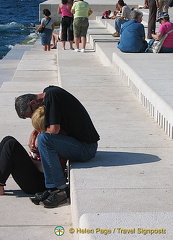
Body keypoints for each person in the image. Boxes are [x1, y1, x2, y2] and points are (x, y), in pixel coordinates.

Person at [15, 86, 100, 208]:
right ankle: (52, 189)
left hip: (86, 148)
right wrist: (35, 132)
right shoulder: (50, 94)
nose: (35, 116)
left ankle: (60, 191)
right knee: (43, 138)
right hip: (79, 144)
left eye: (32, 114)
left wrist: (39, 135)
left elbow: (54, 130)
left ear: (33, 103)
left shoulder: (52, 96)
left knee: (44, 139)